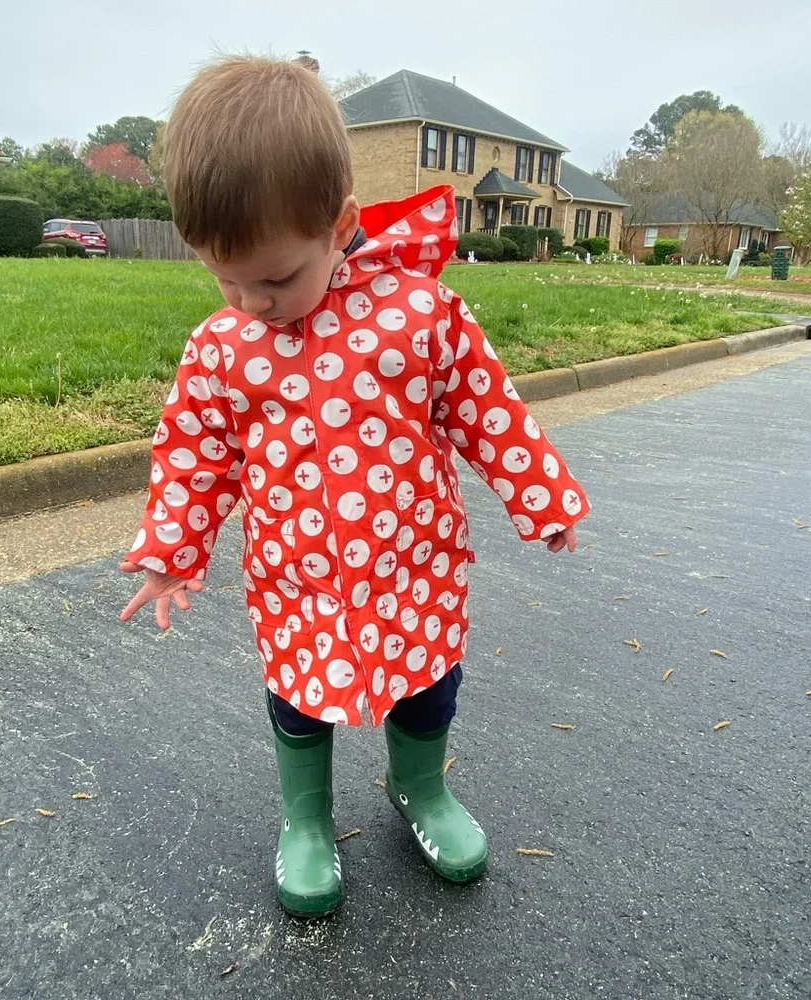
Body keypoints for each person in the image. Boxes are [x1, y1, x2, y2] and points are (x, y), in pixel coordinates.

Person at [119, 55, 590, 918]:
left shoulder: (417, 313)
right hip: (299, 580)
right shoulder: (222, 349)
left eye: (273, 278)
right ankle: (306, 818)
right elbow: (194, 453)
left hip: (412, 566)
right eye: (224, 278)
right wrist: (173, 552)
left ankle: (422, 790)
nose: (249, 302)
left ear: (339, 227)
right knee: (301, 699)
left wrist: (541, 495)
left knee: (428, 685)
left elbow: (484, 405)